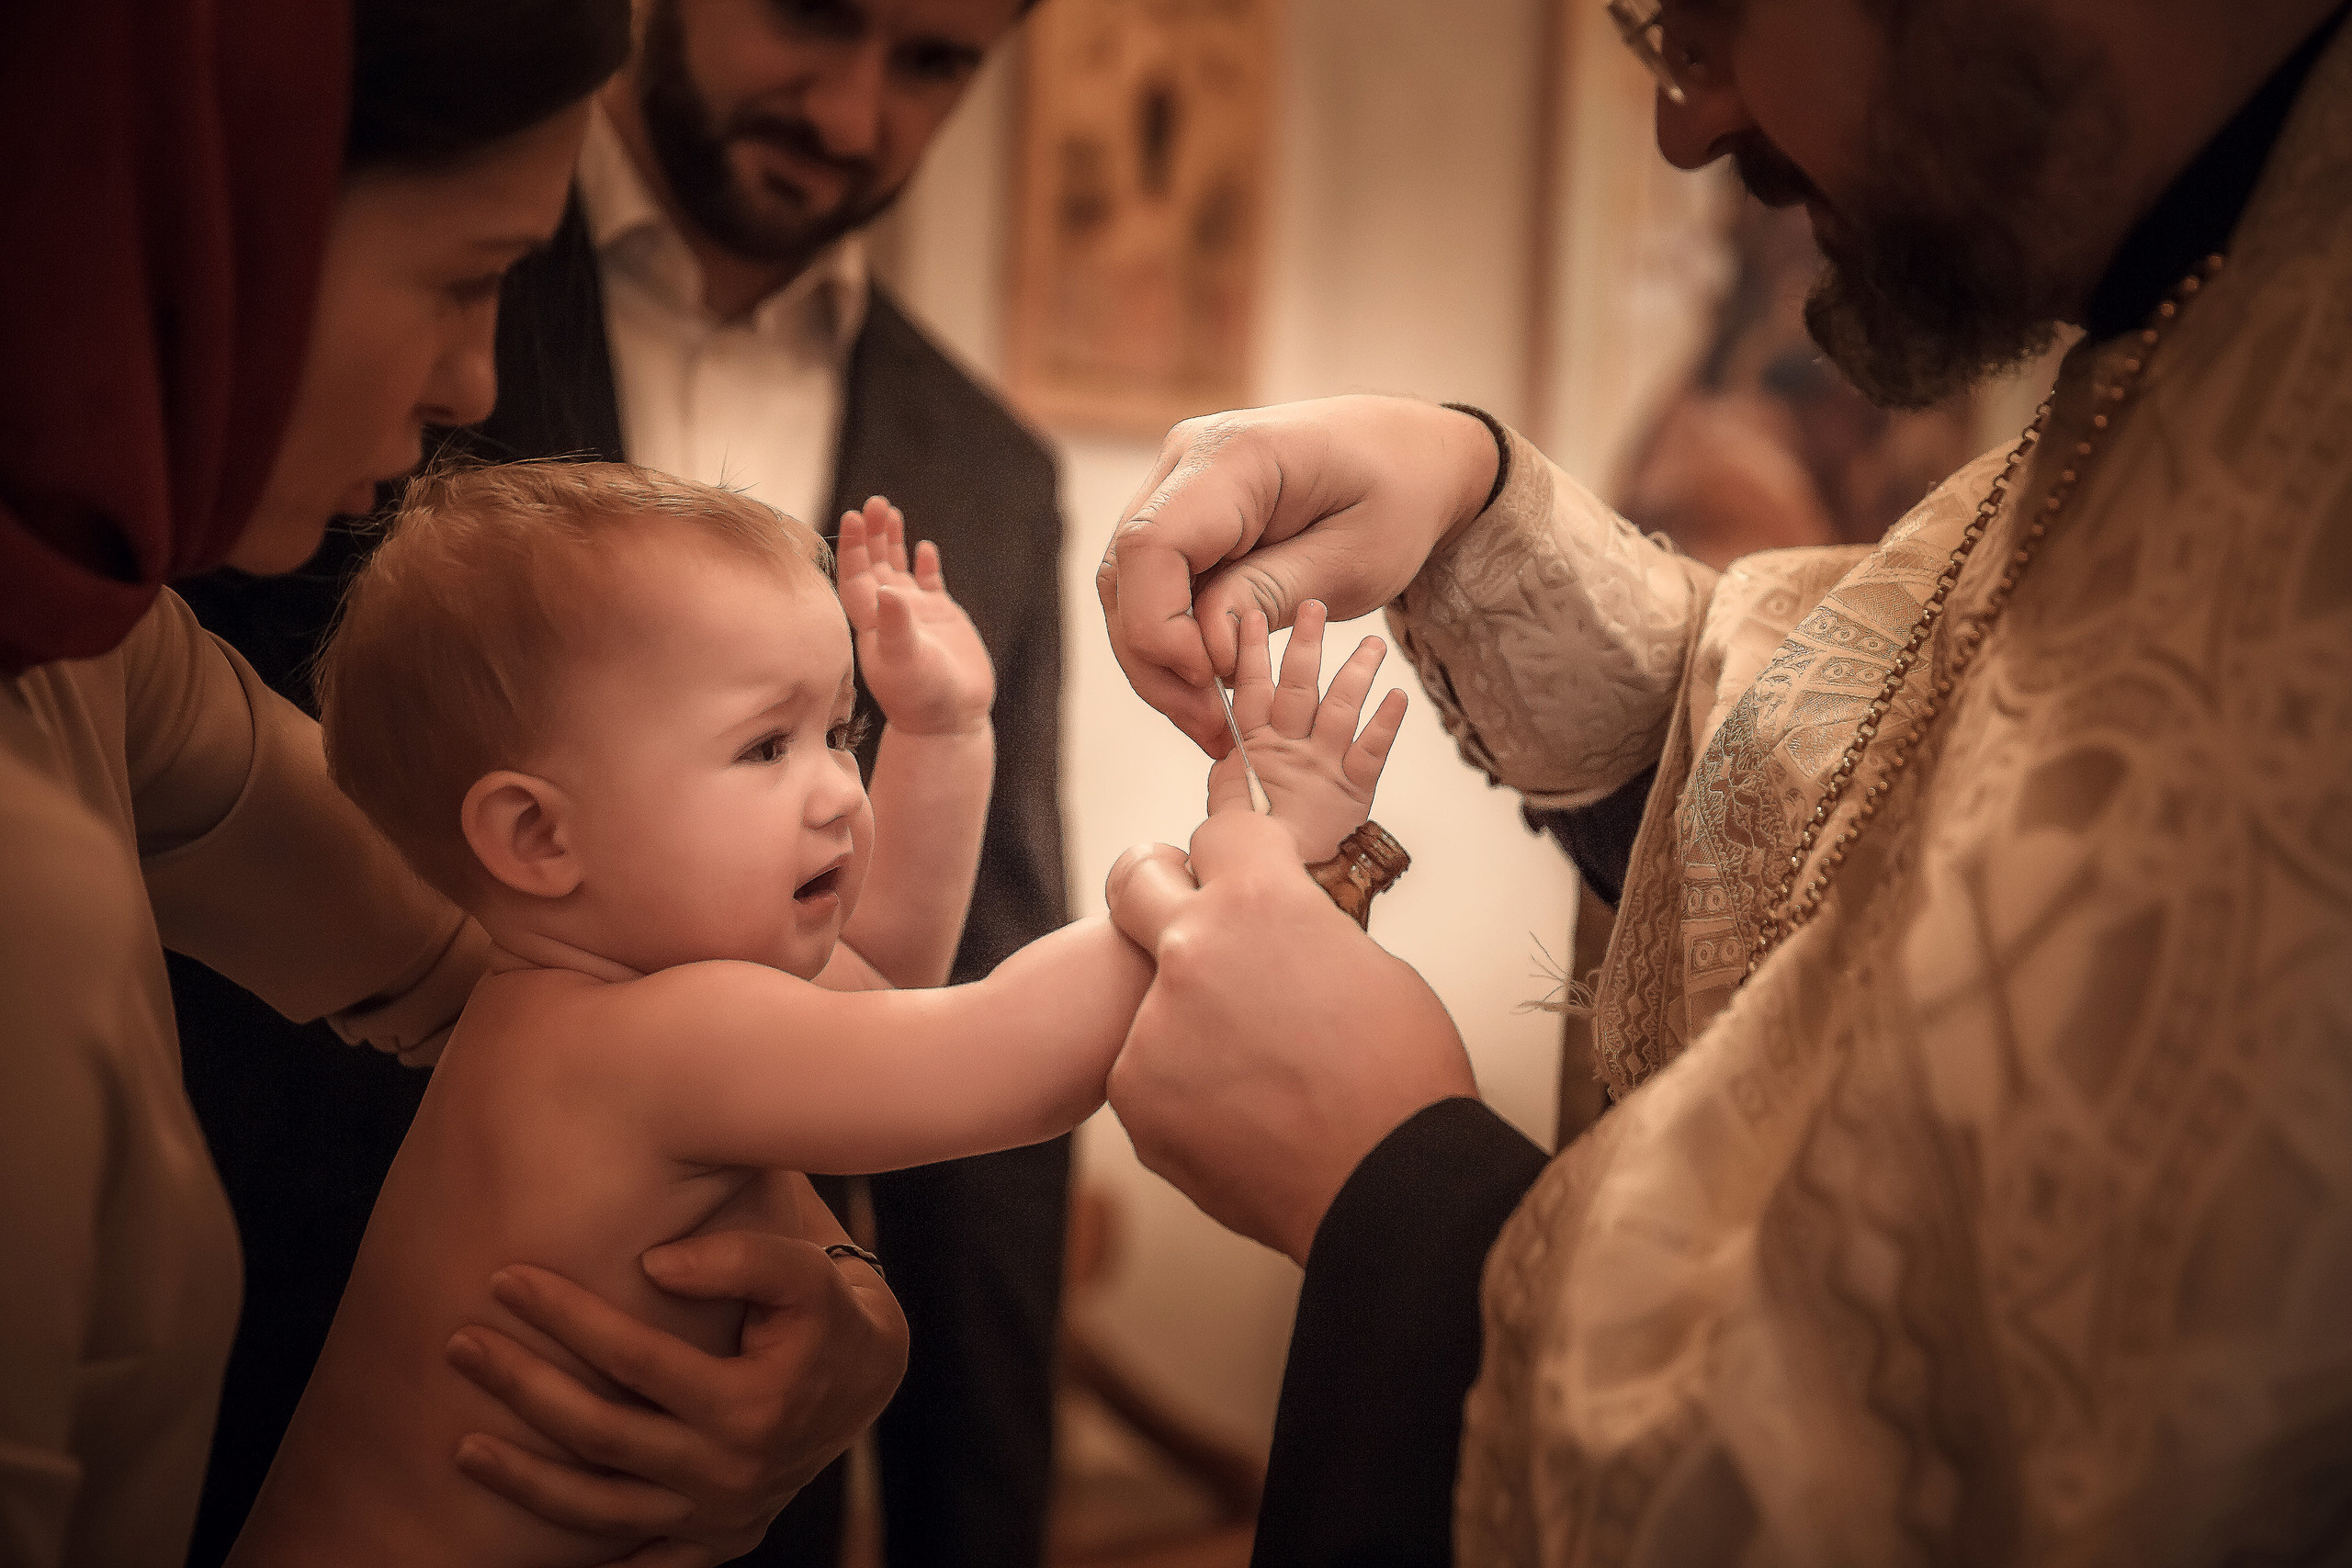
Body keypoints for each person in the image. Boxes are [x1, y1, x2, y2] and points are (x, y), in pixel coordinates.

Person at [1093, 0, 2352, 1562]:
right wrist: (1467, 494)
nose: (1688, 123)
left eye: (1701, 12)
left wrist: (1398, 1191)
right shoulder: (2220, 290)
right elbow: (1863, 737)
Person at [0, 5, 906, 1564]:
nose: (476, 384)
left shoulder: (97, 655)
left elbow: (554, 967)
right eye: (464, 276)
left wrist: (836, 1273)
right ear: (215, 203)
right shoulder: (30, 877)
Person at [168, 3, 1069, 1560]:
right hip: (278, 1402)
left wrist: (888, 1350)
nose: (854, 117)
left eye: (935, 62)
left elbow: (914, 974)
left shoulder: (991, 461)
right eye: (818, 11)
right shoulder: (377, 270)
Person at [223, 461, 1399, 1565]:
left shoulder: (630, 1003)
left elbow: (880, 979)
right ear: (539, 837)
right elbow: (992, 1058)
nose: (838, 785)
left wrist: (939, 736)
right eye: (765, 746)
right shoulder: (636, 1044)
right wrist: (1254, 862)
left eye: (841, 732)